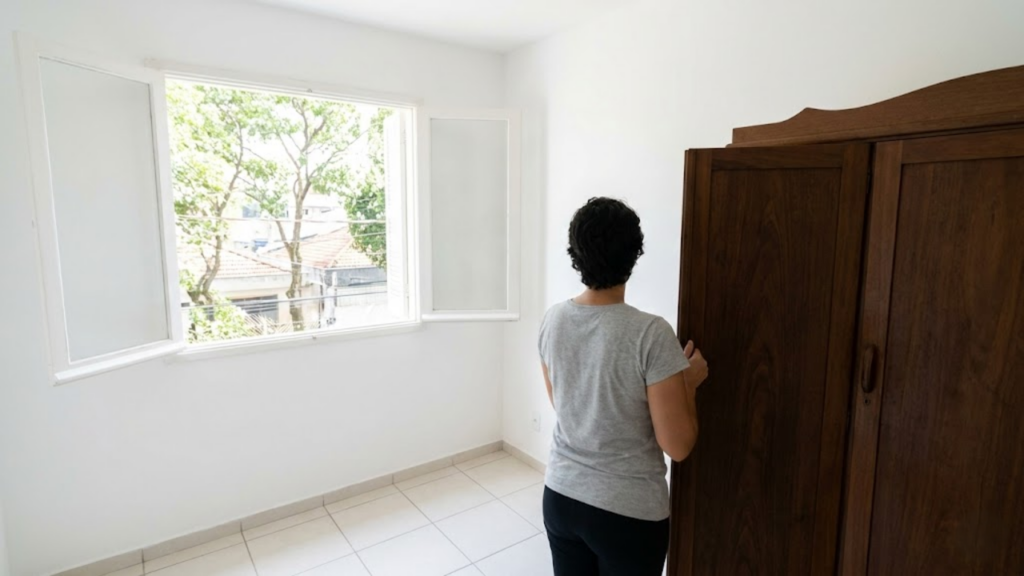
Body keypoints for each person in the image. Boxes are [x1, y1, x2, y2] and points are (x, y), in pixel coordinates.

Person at [538, 197, 709, 576]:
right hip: (627, 514)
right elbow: (678, 446)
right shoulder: (651, 333)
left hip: (561, 497)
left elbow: (565, 405)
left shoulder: (554, 320)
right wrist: (690, 383)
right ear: (634, 255)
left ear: (575, 253)